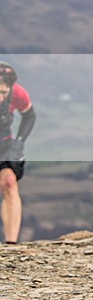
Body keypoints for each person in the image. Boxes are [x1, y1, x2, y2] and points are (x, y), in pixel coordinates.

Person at [0, 62, 36, 245]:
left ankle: (11, 244)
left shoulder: (17, 93)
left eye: (3, 93)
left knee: (9, 182)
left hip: (4, 144)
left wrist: (19, 141)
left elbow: (29, 115)